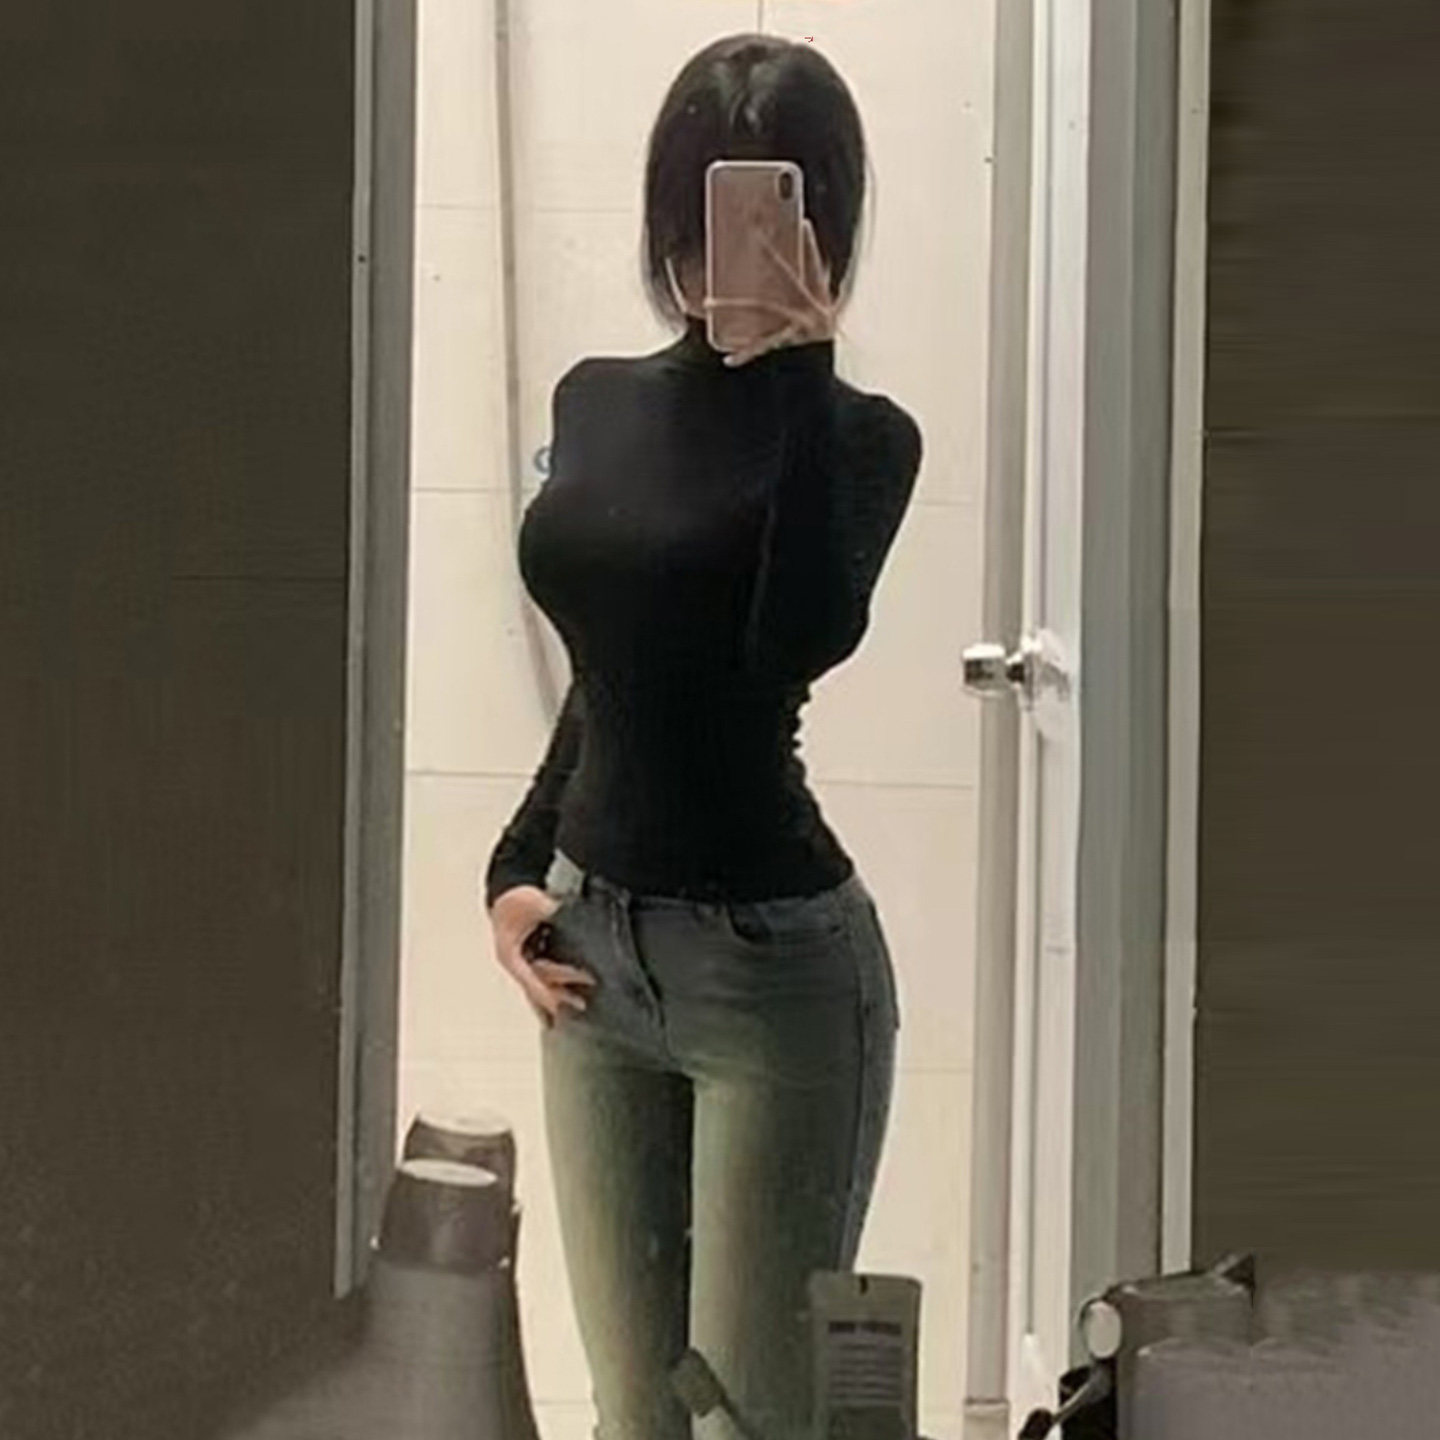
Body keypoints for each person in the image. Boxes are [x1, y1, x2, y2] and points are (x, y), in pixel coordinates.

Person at [482, 33, 923, 1440]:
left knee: (754, 1422)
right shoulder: (594, 401)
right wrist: (513, 865)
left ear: (826, 220)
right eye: (705, 202)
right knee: (635, 1413)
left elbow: (791, 643)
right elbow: (611, 669)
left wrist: (799, 372)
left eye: (777, 205)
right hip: (594, 962)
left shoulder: (863, 437)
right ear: (667, 208)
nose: (723, 243)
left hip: (775, 977)